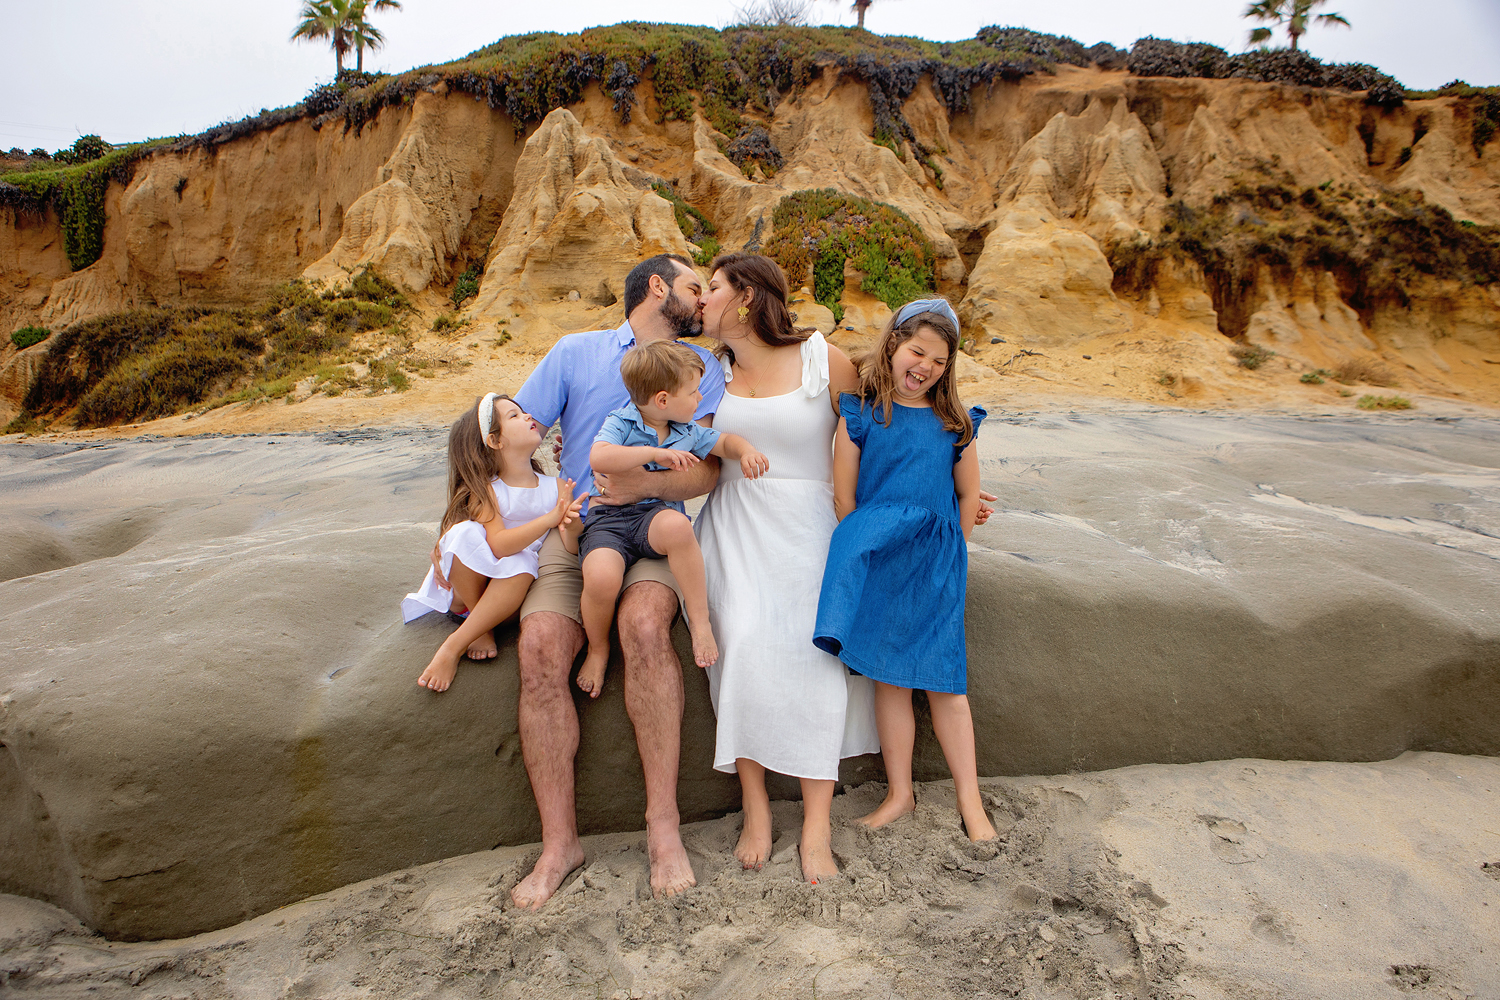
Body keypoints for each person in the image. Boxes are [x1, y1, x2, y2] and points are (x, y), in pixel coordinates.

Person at [491, 253, 724, 907]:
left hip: (655, 531)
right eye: (692, 288)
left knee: (645, 626)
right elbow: (512, 439)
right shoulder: (576, 352)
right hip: (579, 530)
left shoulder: (698, 375)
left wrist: (636, 479)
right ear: (657, 289)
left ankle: (663, 826)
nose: (702, 302)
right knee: (539, 646)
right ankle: (559, 843)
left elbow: (705, 473)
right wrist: (522, 513)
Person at [693, 252, 880, 885]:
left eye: (712, 288)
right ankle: (755, 807)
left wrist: (952, 490)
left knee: (813, 653)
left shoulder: (825, 361)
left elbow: (869, 446)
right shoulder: (708, 371)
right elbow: (683, 441)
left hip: (811, 523)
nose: (702, 300)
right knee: (742, 642)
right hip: (734, 523)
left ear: (745, 296)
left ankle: (817, 822)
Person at [812, 298, 998, 842]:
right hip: (882, 560)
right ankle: (900, 793)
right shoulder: (862, 414)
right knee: (889, 684)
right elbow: (845, 499)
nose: (925, 368)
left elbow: (966, 495)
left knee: (946, 685)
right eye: (917, 352)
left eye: (939, 362)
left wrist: (950, 550)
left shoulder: (955, 423)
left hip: (936, 566)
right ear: (894, 345)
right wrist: (870, 549)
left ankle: (972, 801)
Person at [577, 341, 769, 696]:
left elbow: (723, 442)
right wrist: (652, 454)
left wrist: (746, 451)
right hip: (608, 519)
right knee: (602, 578)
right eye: (693, 393)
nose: (700, 401)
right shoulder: (622, 421)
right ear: (663, 400)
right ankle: (598, 648)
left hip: (652, 516)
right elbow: (599, 457)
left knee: (678, 526)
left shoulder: (687, 431)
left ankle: (700, 622)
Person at [401, 393, 582, 692]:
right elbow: (497, 545)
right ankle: (464, 635)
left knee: (523, 561)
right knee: (464, 533)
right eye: (514, 416)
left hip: (511, 596)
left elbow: (571, 545)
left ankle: (470, 631)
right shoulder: (488, 490)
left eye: (523, 412)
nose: (527, 417)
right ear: (496, 441)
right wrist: (550, 519)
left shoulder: (558, 487)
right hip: (473, 589)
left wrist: (571, 523)